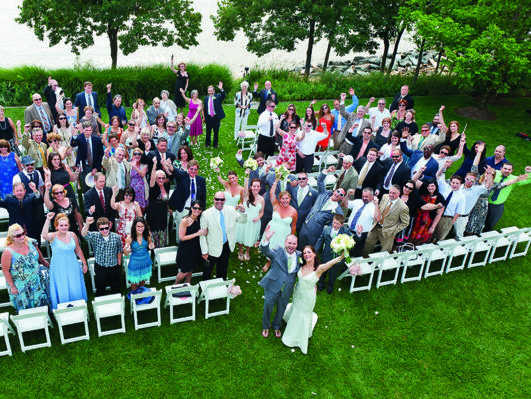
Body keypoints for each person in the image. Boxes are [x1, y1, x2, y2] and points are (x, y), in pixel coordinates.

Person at [281, 246, 344, 354]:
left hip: (307, 298)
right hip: (297, 294)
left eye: (309, 252)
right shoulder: (301, 264)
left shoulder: (319, 269)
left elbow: (330, 263)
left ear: (314, 254)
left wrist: (341, 257)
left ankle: (295, 338)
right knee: (295, 309)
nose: (306, 255)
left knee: (302, 314)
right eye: (305, 253)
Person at [259, 227, 301, 339]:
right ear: (285, 243)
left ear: (297, 244)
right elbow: (265, 251)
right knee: (268, 306)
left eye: (294, 243)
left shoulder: (299, 255)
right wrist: (266, 240)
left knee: (282, 307)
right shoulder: (278, 251)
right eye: (289, 243)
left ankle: (277, 325)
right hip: (273, 285)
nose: (291, 246)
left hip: (287, 288)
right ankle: (266, 325)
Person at [42, 212, 87, 309]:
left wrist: (84, 263)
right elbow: (44, 235)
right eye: (61, 225)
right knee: (62, 288)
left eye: (66, 225)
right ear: (56, 226)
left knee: (75, 286)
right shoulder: (53, 236)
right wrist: (48, 219)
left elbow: (78, 250)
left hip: (72, 265)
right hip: (59, 268)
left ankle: (78, 308)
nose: (64, 227)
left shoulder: (72, 235)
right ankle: (63, 311)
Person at [1, 224, 49, 311]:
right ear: (12, 238)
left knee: (41, 305)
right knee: (27, 309)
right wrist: (12, 287)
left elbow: (38, 254)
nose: (22, 236)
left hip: (36, 280)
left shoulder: (30, 242)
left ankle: (44, 320)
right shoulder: (8, 252)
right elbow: (5, 270)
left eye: (23, 233)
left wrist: (44, 262)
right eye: (18, 235)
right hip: (21, 285)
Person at [199, 191, 247, 280]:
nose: (219, 202)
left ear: (225, 200)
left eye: (222, 199)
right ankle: (205, 290)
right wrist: (204, 252)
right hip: (211, 248)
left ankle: (220, 287)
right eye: (217, 199)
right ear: (213, 199)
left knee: (222, 270)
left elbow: (242, 221)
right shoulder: (206, 214)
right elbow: (202, 236)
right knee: (207, 271)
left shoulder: (230, 210)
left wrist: (243, 212)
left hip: (226, 246)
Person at [299, 169, 344, 249]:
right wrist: (327, 171)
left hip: (315, 232)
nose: (338, 194)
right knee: (300, 245)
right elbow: (320, 180)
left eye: (341, 194)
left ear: (341, 198)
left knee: (309, 249)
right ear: (334, 191)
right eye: (338, 191)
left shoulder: (337, 211)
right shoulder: (324, 193)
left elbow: (332, 226)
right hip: (305, 224)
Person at [82, 216, 123, 296]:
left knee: (115, 286)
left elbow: (119, 250)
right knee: (100, 287)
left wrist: (119, 263)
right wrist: (87, 223)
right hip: (100, 266)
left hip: (113, 266)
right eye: (102, 229)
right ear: (98, 228)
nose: (104, 231)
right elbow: (84, 234)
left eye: (106, 228)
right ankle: (99, 304)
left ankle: (118, 302)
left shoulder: (116, 237)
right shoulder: (95, 236)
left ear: (109, 226)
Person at [315, 214, 357, 294]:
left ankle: (330, 287)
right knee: (323, 271)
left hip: (338, 257)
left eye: (337, 224)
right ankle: (321, 284)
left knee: (333, 274)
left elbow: (354, 239)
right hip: (326, 255)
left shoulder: (345, 231)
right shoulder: (326, 229)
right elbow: (320, 240)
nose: (335, 225)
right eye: (334, 223)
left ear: (341, 224)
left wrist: (358, 233)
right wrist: (314, 251)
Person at [363, 185, 409, 255]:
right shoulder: (385, 197)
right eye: (390, 192)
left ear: (399, 193)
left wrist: (394, 231)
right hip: (376, 227)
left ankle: (379, 265)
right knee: (367, 245)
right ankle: (364, 262)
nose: (391, 195)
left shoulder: (403, 207)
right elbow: (380, 209)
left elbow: (405, 223)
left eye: (394, 193)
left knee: (385, 251)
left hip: (388, 232)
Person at [484, 163, 531, 231]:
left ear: (512, 171)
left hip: (497, 206)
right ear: (501, 168)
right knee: (479, 221)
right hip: (484, 202)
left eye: (509, 169)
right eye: (505, 168)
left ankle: (485, 238)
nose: (506, 171)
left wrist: (529, 173)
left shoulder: (515, 179)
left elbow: (527, 180)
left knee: (490, 224)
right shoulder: (494, 173)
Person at [169, 159, 207, 239]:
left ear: (197, 170)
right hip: (183, 209)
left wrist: (202, 211)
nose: (193, 171)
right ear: (187, 169)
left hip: (195, 210)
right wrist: (170, 166)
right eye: (191, 169)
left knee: (193, 229)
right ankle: (180, 245)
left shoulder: (201, 180)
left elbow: (203, 197)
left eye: (195, 169)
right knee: (181, 231)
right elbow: (176, 172)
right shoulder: (182, 176)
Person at [174, 201, 208, 284]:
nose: (197, 210)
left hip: (195, 248)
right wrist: (197, 234)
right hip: (185, 249)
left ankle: (188, 284)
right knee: (184, 272)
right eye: (195, 208)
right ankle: (174, 286)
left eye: (199, 208)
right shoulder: (185, 220)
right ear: (191, 208)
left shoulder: (200, 220)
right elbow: (181, 237)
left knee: (191, 268)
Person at [409, 178, 445, 246]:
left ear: (436, 186)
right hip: (416, 218)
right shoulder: (423, 190)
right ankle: (407, 248)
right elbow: (413, 179)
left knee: (419, 239)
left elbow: (438, 214)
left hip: (427, 222)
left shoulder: (440, 198)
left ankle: (415, 251)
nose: (430, 188)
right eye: (428, 186)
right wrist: (420, 171)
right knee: (410, 235)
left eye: (432, 186)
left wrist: (433, 227)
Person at [236, 177, 265, 261]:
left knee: (250, 236)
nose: (256, 188)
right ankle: (240, 251)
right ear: (251, 187)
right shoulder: (246, 195)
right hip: (244, 217)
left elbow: (261, 212)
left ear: (260, 187)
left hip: (254, 220)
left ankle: (247, 252)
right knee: (241, 235)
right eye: (254, 186)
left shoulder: (262, 199)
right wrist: (246, 175)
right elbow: (245, 186)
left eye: (258, 186)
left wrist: (258, 217)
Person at [342, 187, 376, 257]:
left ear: (372, 196)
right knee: (345, 249)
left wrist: (377, 204)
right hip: (349, 230)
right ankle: (343, 263)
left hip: (361, 234)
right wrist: (348, 195)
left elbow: (377, 219)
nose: (364, 198)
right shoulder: (358, 201)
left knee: (356, 253)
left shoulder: (373, 207)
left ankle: (353, 266)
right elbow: (344, 205)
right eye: (363, 196)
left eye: (366, 196)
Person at [71, 123, 104, 192]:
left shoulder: (97, 140)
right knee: (86, 186)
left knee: (97, 185)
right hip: (84, 165)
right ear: (83, 130)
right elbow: (73, 144)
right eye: (86, 130)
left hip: (95, 165)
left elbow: (100, 154)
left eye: (89, 130)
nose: (88, 132)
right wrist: (75, 133)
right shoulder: (80, 138)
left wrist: (96, 168)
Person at [433, 173, 466, 241]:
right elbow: (437, 175)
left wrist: (451, 223)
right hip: (437, 215)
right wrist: (444, 166)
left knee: (440, 238)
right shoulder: (445, 189)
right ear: (450, 182)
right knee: (430, 234)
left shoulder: (461, 197)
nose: (454, 185)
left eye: (457, 183)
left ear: (460, 184)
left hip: (447, 218)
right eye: (453, 182)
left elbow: (458, 212)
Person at [124, 217, 155, 291]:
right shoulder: (129, 238)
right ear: (135, 227)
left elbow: (151, 244)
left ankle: (141, 294)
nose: (140, 228)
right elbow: (125, 253)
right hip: (135, 262)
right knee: (134, 282)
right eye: (138, 226)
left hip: (145, 260)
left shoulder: (148, 235)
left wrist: (151, 246)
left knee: (143, 280)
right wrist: (127, 250)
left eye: (142, 226)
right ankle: (135, 297)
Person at [147, 166, 171, 248]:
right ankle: (152, 246)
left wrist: (168, 208)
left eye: (163, 178)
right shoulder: (153, 186)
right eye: (159, 178)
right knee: (153, 228)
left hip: (163, 209)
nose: (161, 180)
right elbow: (152, 179)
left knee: (162, 227)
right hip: (153, 209)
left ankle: (160, 245)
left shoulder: (167, 186)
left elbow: (166, 199)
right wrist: (154, 166)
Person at [203, 82, 226, 148]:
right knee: (208, 131)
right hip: (209, 117)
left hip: (216, 117)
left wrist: (221, 89)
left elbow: (223, 96)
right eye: (209, 91)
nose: (210, 92)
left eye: (211, 90)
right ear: (207, 91)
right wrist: (204, 117)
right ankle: (207, 143)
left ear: (214, 91)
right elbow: (205, 109)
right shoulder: (206, 98)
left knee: (216, 131)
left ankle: (215, 144)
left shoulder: (218, 96)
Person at [129, 148, 148, 212]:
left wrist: (135, 167)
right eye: (135, 154)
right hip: (131, 189)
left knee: (141, 209)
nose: (137, 156)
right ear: (132, 155)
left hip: (141, 190)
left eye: (139, 154)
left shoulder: (144, 165)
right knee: (131, 207)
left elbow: (142, 174)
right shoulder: (129, 164)